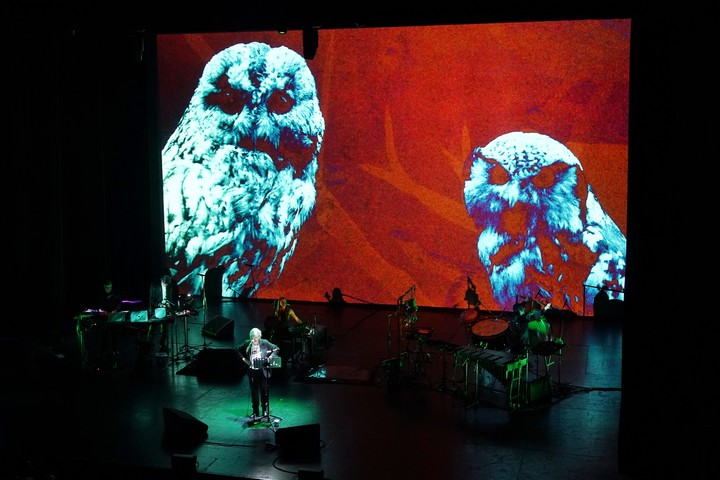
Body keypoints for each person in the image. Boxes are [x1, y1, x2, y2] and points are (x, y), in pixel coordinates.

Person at [237, 327, 279, 420]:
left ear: (259, 336)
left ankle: (264, 410)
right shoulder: (247, 343)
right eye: (252, 337)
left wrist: (271, 357)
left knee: (264, 391)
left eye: (255, 337)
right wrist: (245, 360)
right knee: (254, 392)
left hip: (263, 371)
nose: (254, 339)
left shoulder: (265, 342)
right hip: (252, 371)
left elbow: (276, 348)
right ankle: (255, 411)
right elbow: (238, 350)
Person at [148, 273, 179, 353]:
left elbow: (171, 297)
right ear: (162, 281)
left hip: (165, 308)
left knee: (164, 328)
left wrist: (168, 304)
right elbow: (151, 299)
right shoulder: (154, 285)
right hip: (155, 308)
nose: (166, 286)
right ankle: (149, 343)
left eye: (167, 285)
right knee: (152, 327)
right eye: (165, 284)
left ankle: (162, 345)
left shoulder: (169, 286)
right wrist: (158, 304)